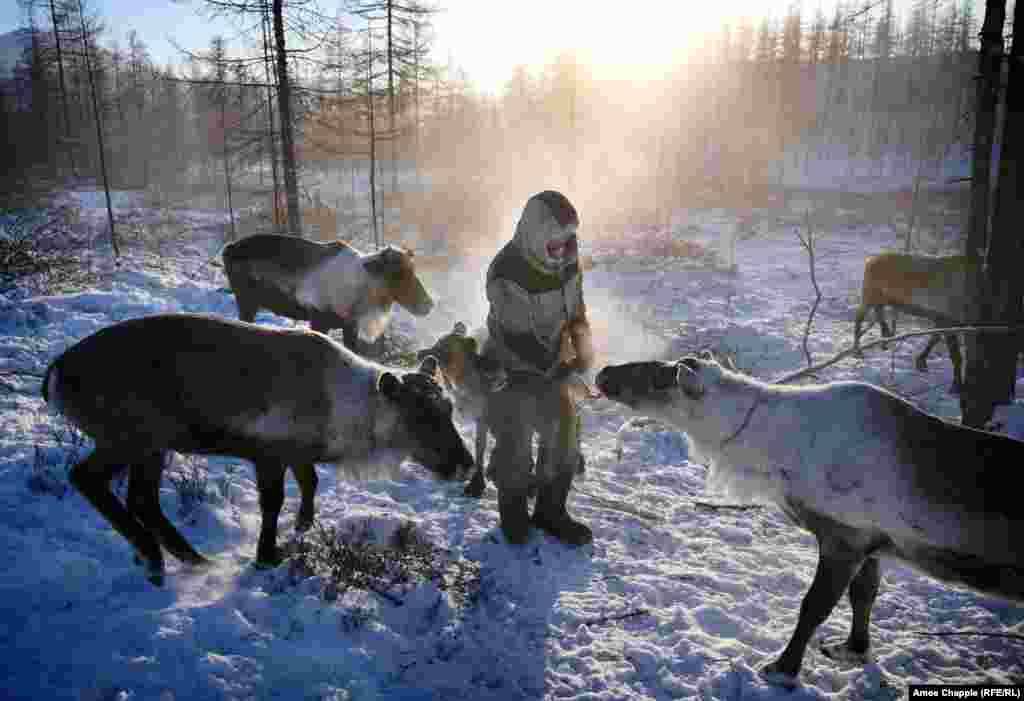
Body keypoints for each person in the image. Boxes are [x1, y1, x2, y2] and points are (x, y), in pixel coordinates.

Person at [483, 190, 596, 546]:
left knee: (564, 434)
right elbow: (519, 339)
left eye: (567, 238)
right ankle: (513, 514)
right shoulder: (506, 271)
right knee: (516, 440)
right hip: (511, 365)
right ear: (534, 232)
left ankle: (551, 511)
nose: (562, 246)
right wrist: (563, 370)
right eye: (555, 238)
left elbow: (577, 312)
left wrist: (584, 353)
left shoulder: (570, 260)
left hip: (552, 360)